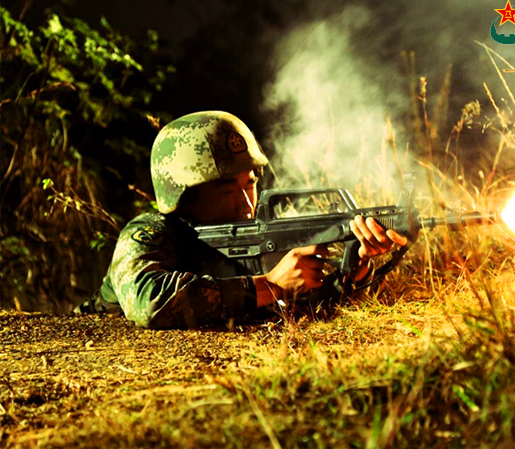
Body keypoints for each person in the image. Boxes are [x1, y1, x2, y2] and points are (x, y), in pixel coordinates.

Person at [76, 111, 407, 329]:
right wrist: (270, 285)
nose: (246, 203)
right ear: (184, 195)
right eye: (225, 191)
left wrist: (357, 266)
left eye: (250, 184)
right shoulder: (150, 232)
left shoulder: (254, 235)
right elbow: (149, 303)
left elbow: (312, 309)